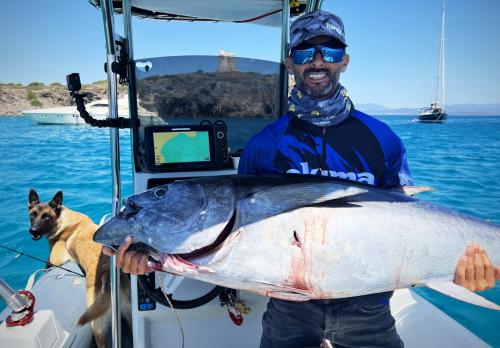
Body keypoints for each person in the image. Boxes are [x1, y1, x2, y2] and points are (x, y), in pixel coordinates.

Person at [103, 9, 499, 347]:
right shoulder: (264, 146)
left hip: (369, 309)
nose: (318, 60)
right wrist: (154, 258)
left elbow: (408, 223)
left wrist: (460, 269)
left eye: (330, 50)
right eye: (306, 51)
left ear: (345, 60)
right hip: (289, 312)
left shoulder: (383, 139)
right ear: (291, 62)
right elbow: (237, 248)